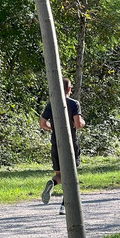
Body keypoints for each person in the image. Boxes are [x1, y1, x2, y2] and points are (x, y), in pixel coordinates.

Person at [40, 77, 85, 215]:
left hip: (56, 142)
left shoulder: (51, 104)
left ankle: (52, 183)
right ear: (69, 89)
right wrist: (83, 122)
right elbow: (77, 123)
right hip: (70, 143)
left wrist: (53, 128)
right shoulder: (73, 103)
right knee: (71, 176)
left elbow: (42, 123)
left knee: (60, 175)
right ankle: (64, 207)